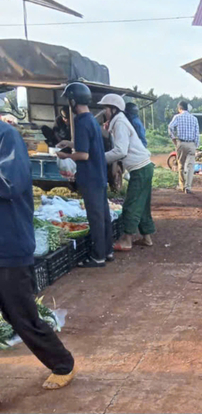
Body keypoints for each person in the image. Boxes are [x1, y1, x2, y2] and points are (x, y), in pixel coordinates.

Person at [0, 119, 76, 390]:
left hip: (7, 243)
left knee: (20, 314)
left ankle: (62, 363)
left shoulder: (6, 136)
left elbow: (10, 184)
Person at [56, 82, 112, 267]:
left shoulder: (81, 122)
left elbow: (84, 154)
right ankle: (107, 251)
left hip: (90, 177)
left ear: (73, 101)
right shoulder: (92, 120)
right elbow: (87, 145)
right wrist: (70, 143)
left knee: (95, 217)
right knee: (103, 215)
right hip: (100, 175)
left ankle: (98, 257)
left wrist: (66, 155)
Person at [98, 94, 155, 252]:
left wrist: (99, 159)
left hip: (140, 168)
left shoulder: (120, 123)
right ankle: (147, 238)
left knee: (131, 204)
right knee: (142, 205)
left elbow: (120, 151)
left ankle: (127, 240)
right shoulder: (118, 121)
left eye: (106, 109)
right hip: (144, 167)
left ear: (114, 109)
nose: (104, 112)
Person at [168, 101, 199, 194]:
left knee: (181, 164)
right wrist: (196, 146)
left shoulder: (177, 117)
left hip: (181, 143)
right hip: (191, 144)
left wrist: (173, 139)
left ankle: (182, 185)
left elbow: (170, 127)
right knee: (190, 166)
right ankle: (188, 187)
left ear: (179, 109)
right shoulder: (194, 119)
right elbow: (197, 134)